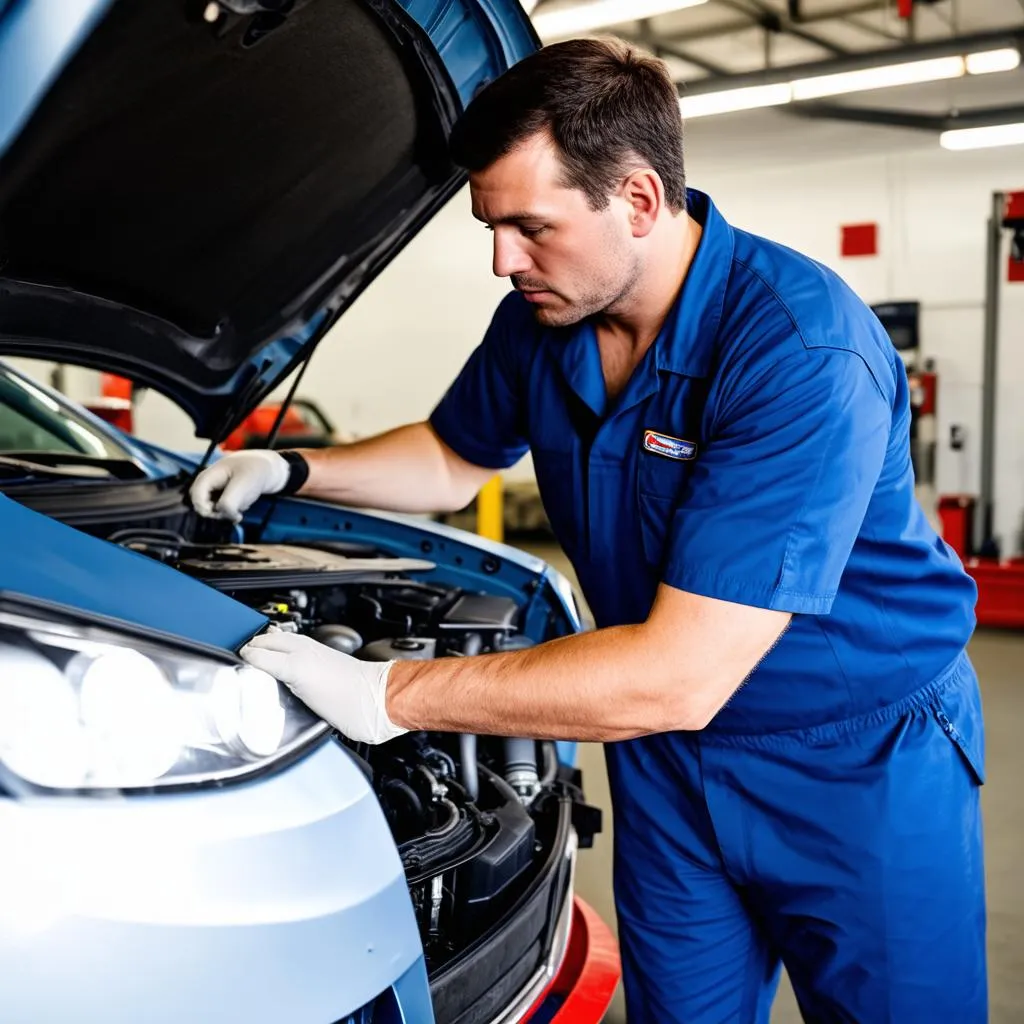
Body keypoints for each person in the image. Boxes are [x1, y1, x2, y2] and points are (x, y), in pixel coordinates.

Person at [190, 38, 986, 1023]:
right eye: (489, 227)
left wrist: (392, 693)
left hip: (854, 760)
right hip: (661, 754)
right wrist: (291, 467)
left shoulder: (797, 349)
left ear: (639, 201)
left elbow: (682, 672)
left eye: (529, 226)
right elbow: (450, 456)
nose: (501, 260)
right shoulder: (544, 316)